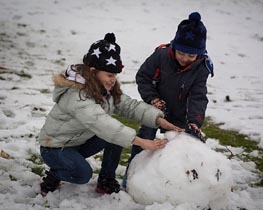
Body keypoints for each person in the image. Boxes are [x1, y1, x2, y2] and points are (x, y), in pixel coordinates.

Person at [38, 33, 183, 196]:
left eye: (115, 75)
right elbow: (100, 123)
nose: (113, 80)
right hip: (56, 147)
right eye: (110, 75)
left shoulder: (104, 90)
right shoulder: (76, 95)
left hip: (78, 143)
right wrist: (141, 141)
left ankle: (106, 180)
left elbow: (129, 106)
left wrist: (158, 119)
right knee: (82, 174)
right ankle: (54, 175)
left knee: (117, 136)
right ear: (93, 72)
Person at [123, 12, 214, 188]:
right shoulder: (161, 56)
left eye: (191, 56)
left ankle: (177, 185)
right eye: (181, 53)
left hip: (181, 113)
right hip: (155, 110)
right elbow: (143, 77)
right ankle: (131, 178)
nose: (185, 59)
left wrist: (194, 121)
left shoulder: (201, 68)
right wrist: (153, 99)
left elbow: (198, 96)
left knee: (182, 148)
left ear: (199, 54)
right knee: (144, 139)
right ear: (174, 46)